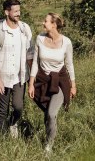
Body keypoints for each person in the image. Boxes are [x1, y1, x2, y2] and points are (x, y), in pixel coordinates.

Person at [28, 12, 76, 153]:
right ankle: (50, 133)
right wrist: (31, 83)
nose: (43, 23)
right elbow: (36, 63)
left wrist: (73, 85)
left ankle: (48, 146)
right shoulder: (40, 39)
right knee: (47, 113)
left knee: (51, 113)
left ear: (54, 25)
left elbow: (69, 64)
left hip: (60, 82)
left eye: (46, 21)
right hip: (42, 81)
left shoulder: (66, 42)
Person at [0, 0, 34, 137]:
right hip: (2, 77)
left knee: (18, 107)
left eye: (19, 11)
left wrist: (32, 78)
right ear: (6, 12)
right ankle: (1, 139)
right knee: (2, 110)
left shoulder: (24, 29)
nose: (18, 14)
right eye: (15, 11)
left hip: (20, 77)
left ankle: (13, 123)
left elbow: (30, 54)